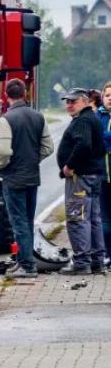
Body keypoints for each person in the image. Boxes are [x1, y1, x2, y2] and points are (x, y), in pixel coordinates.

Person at [0, 79, 54, 278]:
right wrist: (31, 160)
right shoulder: (38, 117)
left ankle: (27, 266)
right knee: (27, 220)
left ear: (6, 95)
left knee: (17, 221)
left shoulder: (6, 119)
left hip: (13, 177)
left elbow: (3, 150)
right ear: (25, 94)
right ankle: (22, 260)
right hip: (31, 176)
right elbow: (48, 148)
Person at [57, 87, 106, 275]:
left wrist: (69, 166)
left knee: (78, 218)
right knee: (94, 219)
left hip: (80, 177)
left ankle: (81, 262)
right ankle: (97, 261)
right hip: (93, 175)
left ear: (85, 101)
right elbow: (100, 147)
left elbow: (83, 144)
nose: (69, 105)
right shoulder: (93, 118)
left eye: (73, 101)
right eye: (67, 101)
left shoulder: (83, 120)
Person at [98, 82, 111, 264]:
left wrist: (105, 138)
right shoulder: (96, 117)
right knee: (105, 221)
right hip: (101, 177)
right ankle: (108, 254)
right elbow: (94, 138)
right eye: (108, 95)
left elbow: (102, 137)